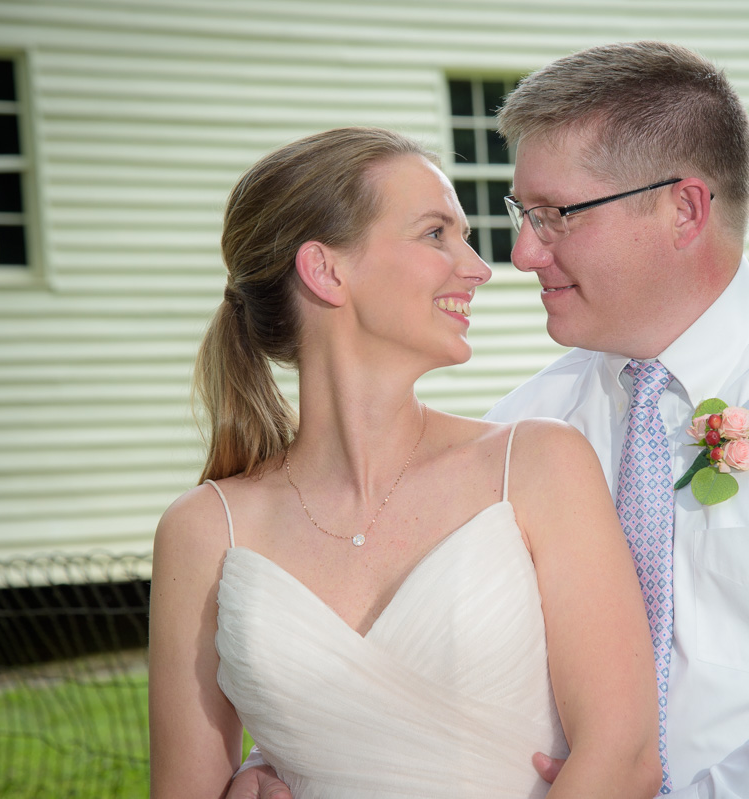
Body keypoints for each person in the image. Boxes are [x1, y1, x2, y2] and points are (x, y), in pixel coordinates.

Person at [230, 41, 749, 799]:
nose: (523, 253)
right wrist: (288, 755)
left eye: (556, 214)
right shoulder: (521, 431)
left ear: (684, 208)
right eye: (520, 213)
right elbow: (398, 627)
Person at [147, 126, 662, 799]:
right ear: (327, 270)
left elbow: (624, 758)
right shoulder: (204, 528)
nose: (478, 267)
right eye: (435, 234)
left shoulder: (536, 464)